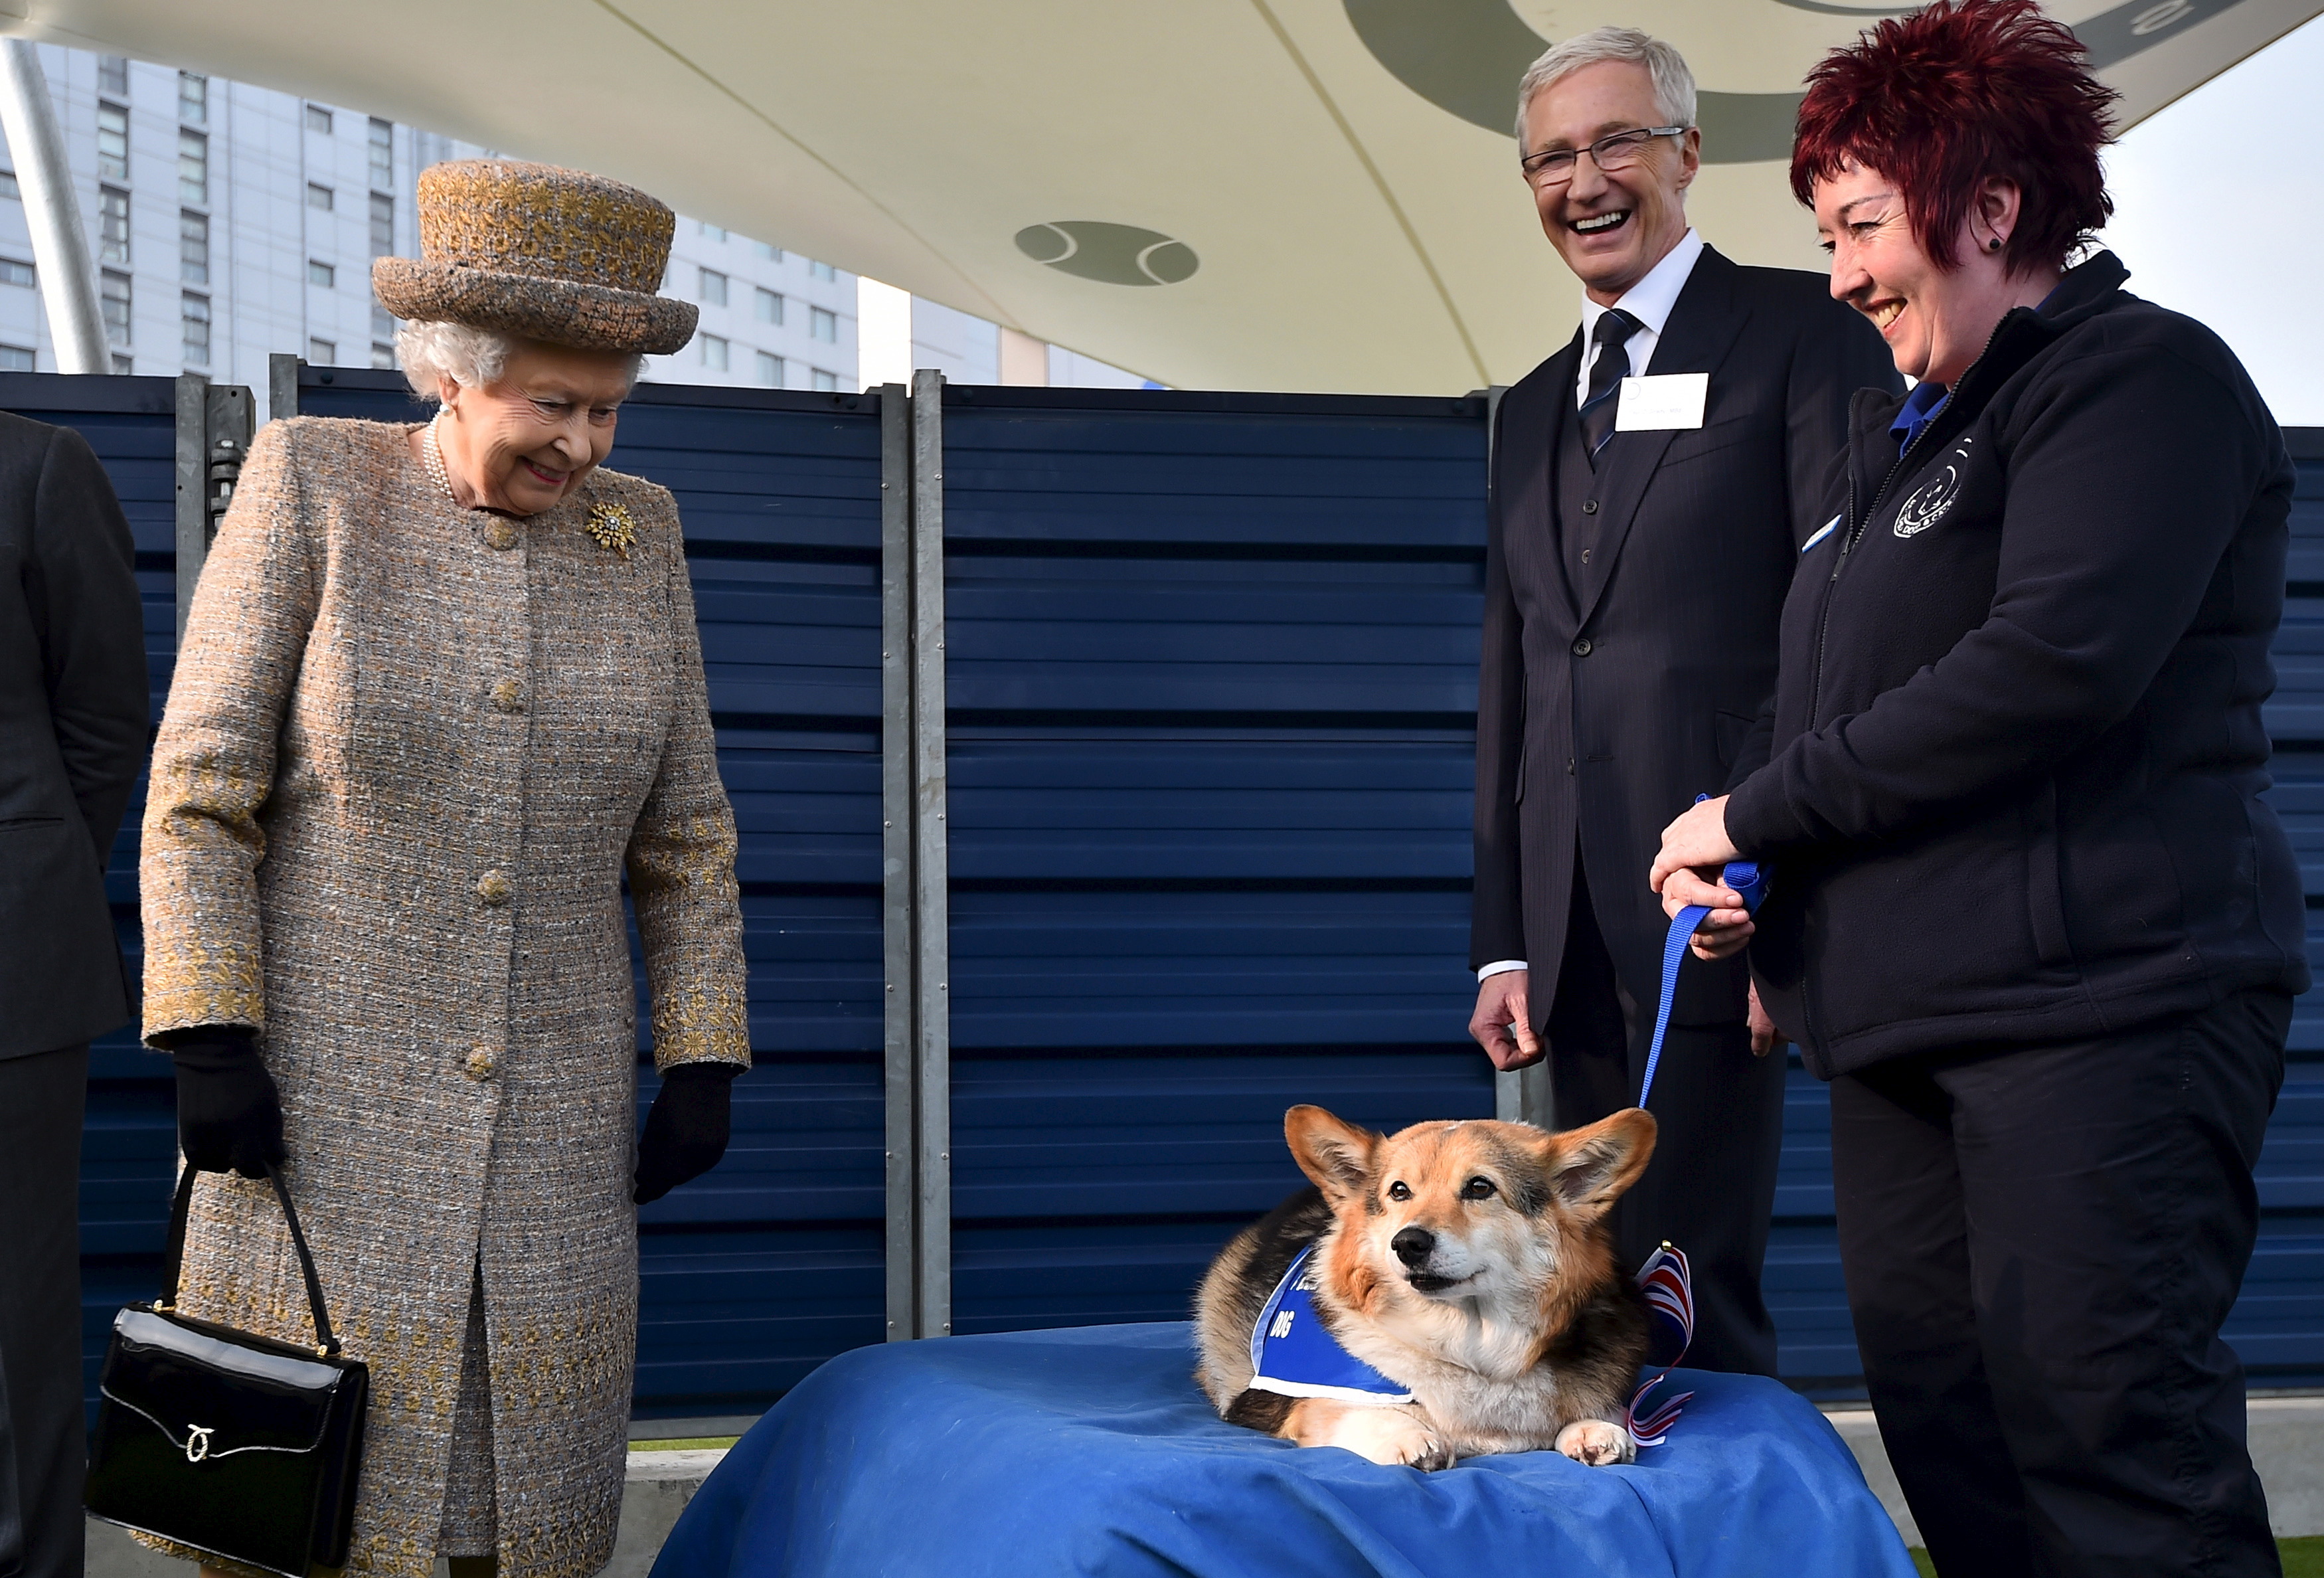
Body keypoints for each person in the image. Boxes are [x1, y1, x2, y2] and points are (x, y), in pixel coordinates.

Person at [1649, 3, 2307, 1571]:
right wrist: (1769, 906)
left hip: (2100, 1013)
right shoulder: (1903, 447)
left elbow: (2049, 666)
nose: (1840, 276)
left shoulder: (2140, 379)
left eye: (1862, 225)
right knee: (1950, 1436)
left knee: (2106, 1440)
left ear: (1989, 211)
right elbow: (1844, 712)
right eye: (1826, 235)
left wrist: (1748, 815)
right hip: (1900, 1035)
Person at [139, 160, 750, 1578]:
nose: (585, 444)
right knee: (297, 1507)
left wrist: (702, 1051)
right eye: (553, 403)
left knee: (523, 1514)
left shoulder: (636, 533)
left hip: (556, 1111)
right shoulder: (315, 482)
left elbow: (687, 832)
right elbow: (200, 790)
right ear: (454, 378)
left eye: (608, 409)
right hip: (317, 1107)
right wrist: (210, 1031)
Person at [1467, 25, 1898, 1375]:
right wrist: (1499, 940)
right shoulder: (1530, 404)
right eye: (1550, 157)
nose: (1582, 180)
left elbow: (1838, 616)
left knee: (1695, 1271)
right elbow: (1520, 664)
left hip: (1714, 895)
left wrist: (1763, 852)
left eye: (1613, 143)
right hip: (1565, 920)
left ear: (1685, 156)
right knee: (1579, 1281)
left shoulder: (1799, 334)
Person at [0, 413, 146, 1578]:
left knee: (11, 1336)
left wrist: (30, 881)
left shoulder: (41, 468)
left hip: (8, 976)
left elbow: (102, 721)